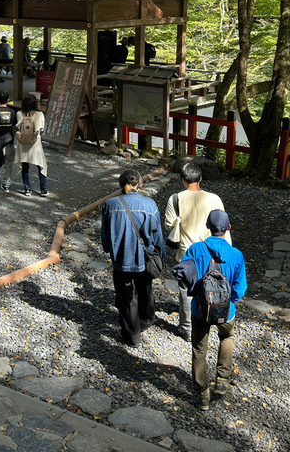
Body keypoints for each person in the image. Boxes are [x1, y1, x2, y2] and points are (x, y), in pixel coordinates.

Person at [181, 209, 246, 411]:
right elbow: (240, 289)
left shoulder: (195, 249)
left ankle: (202, 396)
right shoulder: (236, 255)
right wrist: (229, 301)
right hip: (226, 311)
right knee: (227, 337)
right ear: (228, 228)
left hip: (200, 310)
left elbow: (184, 276)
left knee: (199, 349)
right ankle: (221, 380)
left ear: (207, 226)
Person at [100, 169, 166, 346]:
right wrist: (161, 257)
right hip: (145, 257)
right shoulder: (150, 205)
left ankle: (132, 336)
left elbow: (106, 236)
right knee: (145, 290)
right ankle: (145, 321)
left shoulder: (110, 204)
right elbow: (157, 235)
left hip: (122, 258)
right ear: (139, 184)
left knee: (127, 297)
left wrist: (108, 248)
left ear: (121, 184)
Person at [163, 161, 231, 331]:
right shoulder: (214, 199)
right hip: (211, 252)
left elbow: (168, 225)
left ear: (182, 179)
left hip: (187, 253)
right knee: (212, 285)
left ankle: (186, 327)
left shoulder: (175, 199)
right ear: (200, 178)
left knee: (186, 290)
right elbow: (222, 226)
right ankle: (212, 314)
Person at [15, 95, 48, 196]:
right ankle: (43, 190)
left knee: (25, 167)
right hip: (35, 144)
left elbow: (18, 127)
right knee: (41, 166)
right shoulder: (39, 114)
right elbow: (41, 129)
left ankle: (27, 189)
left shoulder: (19, 114)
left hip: (23, 143)